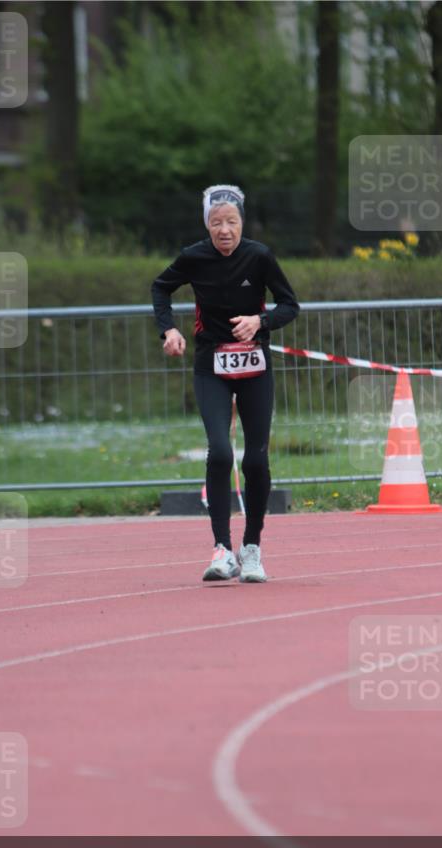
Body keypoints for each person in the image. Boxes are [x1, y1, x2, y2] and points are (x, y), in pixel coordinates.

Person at [151, 184, 299, 583]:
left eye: (231, 221)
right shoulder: (193, 257)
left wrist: (260, 322)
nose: (225, 230)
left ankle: (251, 548)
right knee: (219, 452)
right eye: (216, 222)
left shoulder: (259, 256)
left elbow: (290, 305)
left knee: (255, 459)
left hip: (255, 367)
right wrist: (168, 331)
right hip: (210, 365)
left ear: (241, 223)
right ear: (207, 226)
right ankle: (222, 548)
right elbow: (161, 287)